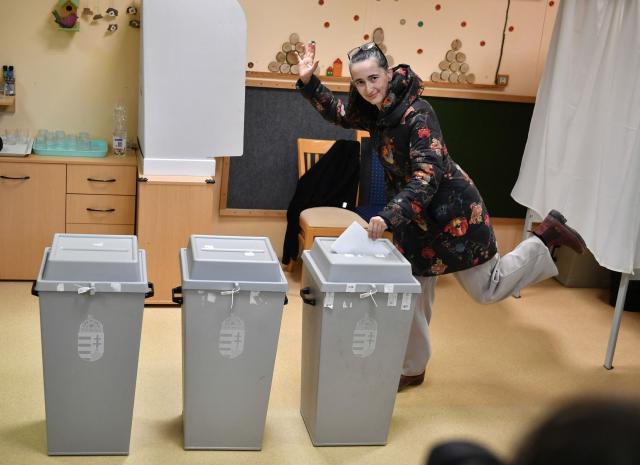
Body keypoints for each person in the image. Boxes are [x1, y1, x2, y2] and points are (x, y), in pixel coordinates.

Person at [296, 41, 586, 391]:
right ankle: (413, 367)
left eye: (374, 78)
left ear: (389, 73)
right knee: (413, 295)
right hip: (414, 221)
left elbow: (426, 177)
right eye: (360, 83)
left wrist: (389, 215)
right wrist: (310, 80)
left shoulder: (419, 114)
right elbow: (341, 115)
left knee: (488, 288)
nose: (369, 88)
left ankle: (544, 237)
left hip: (454, 215)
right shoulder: (375, 110)